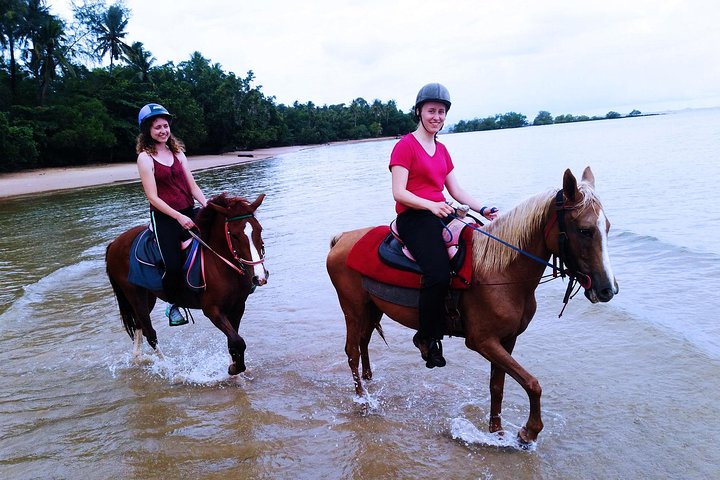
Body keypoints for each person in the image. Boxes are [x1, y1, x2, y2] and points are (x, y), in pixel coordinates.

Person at [389, 83, 498, 368]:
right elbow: (399, 192)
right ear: (418, 112)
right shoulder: (405, 146)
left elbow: (456, 190)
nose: (436, 117)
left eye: (441, 112)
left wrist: (483, 208)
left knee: (476, 248)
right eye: (431, 111)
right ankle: (426, 335)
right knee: (437, 272)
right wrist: (431, 205)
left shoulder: (442, 149)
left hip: (441, 212)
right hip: (414, 217)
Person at [136, 103, 208, 326]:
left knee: (218, 238)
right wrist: (178, 216)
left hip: (188, 210)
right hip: (165, 217)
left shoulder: (178, 153)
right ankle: (173, 304)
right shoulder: (145, 158)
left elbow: (192, 186)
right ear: (148, 130)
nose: (163, 131)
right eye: (157, 127)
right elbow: (153, 197)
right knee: (173, 264)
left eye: (165, 126)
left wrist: (207, 205)